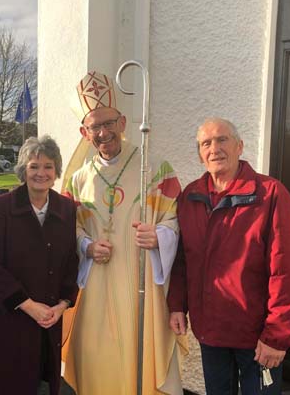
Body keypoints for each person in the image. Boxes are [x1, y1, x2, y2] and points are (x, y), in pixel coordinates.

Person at [62, 71, 184, 395]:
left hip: (141, 285)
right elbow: (67, 231)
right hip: (94, 290)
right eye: (95, 127)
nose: (103, 133)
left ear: (123, 122)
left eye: (109, 123)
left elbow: (176, 219)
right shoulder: (77, 180)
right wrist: (86, 246)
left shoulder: (155, 168)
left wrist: (160, 236)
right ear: (84, 132)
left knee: (138, 354)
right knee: (95, 357)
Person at [167, 118, 290, 394]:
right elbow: (182, 259)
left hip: (258, 337)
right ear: (200, 155)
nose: (214, 149)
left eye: (222, 140)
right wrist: (177, 305)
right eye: (206, 143)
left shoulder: (270, 194)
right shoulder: (190, 197)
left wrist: (277, 336)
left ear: (240, 146)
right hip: (211, 333)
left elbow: (286, 271)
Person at [0, 135, 79, 395]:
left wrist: (62, 306)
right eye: (34, 166)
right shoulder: (2, 206)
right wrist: (28, 305)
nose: (41, 173)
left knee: (44, 383)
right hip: (10, 318)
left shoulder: (66, 208)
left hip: (49, 318)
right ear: (24, 170)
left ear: (56, 171)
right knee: (11, 383)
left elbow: (71, 260)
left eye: (48, 166)